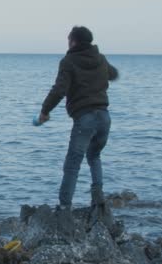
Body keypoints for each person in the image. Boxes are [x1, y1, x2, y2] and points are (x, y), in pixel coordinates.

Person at [37, 26, 119, 209]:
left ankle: (65, 207)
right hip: (104, 116)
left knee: (72, 164)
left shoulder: (69, 61)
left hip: (85, 118)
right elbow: (113, 74)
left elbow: (59, 90)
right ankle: (98, 200)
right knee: (94, 156)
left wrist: (45, 111)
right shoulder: (100, 58)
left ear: (74, 41)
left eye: (68, 39)